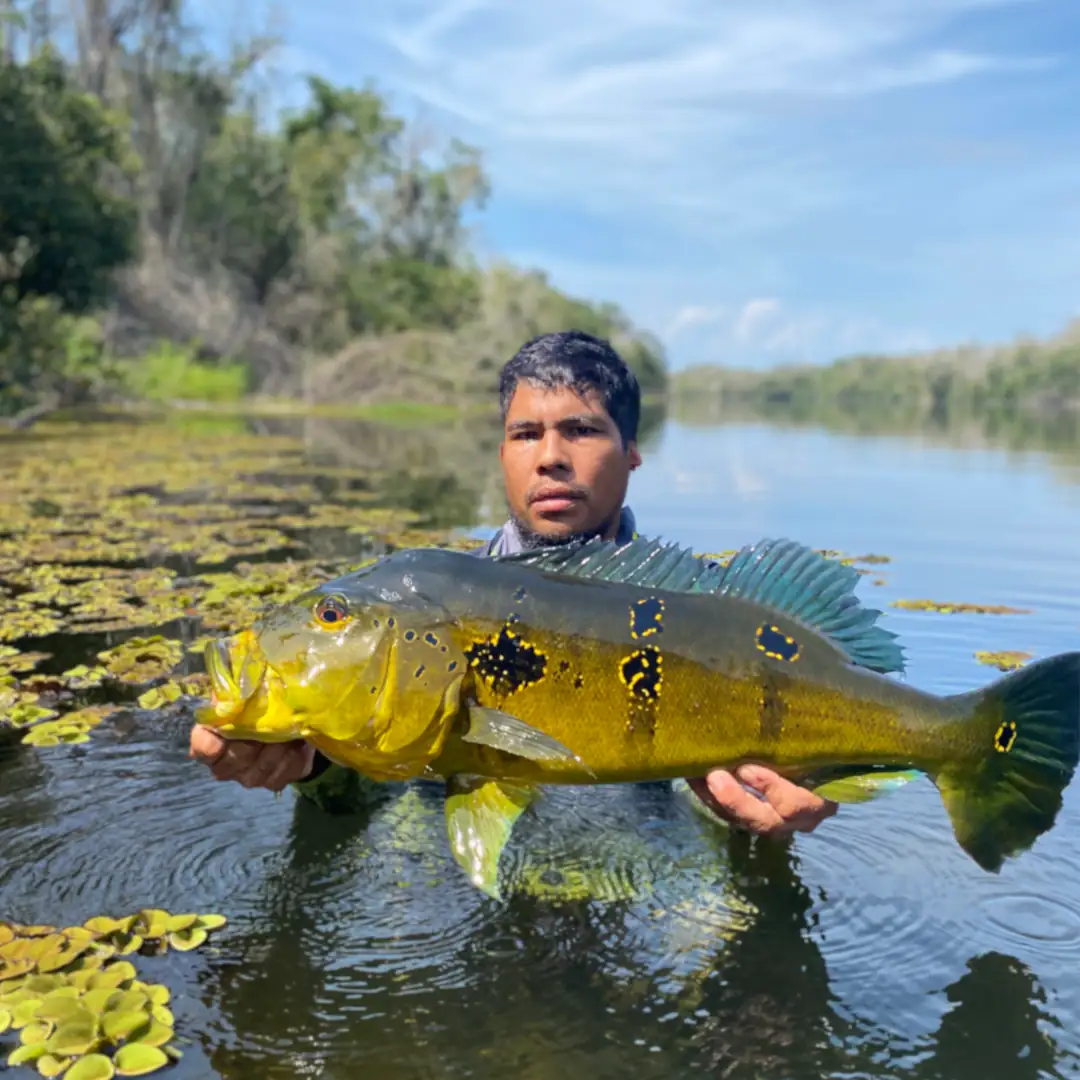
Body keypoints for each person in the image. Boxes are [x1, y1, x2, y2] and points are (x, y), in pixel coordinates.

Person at [188, 330, 837, 839]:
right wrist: (315, 764)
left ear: (633, 450)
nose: (550, 456)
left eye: (581, 429)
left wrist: (775, 818)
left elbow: (739, 809)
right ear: (502, 453)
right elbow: (380, 779)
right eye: (525, 433)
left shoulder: (714, 616)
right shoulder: (429, 603)